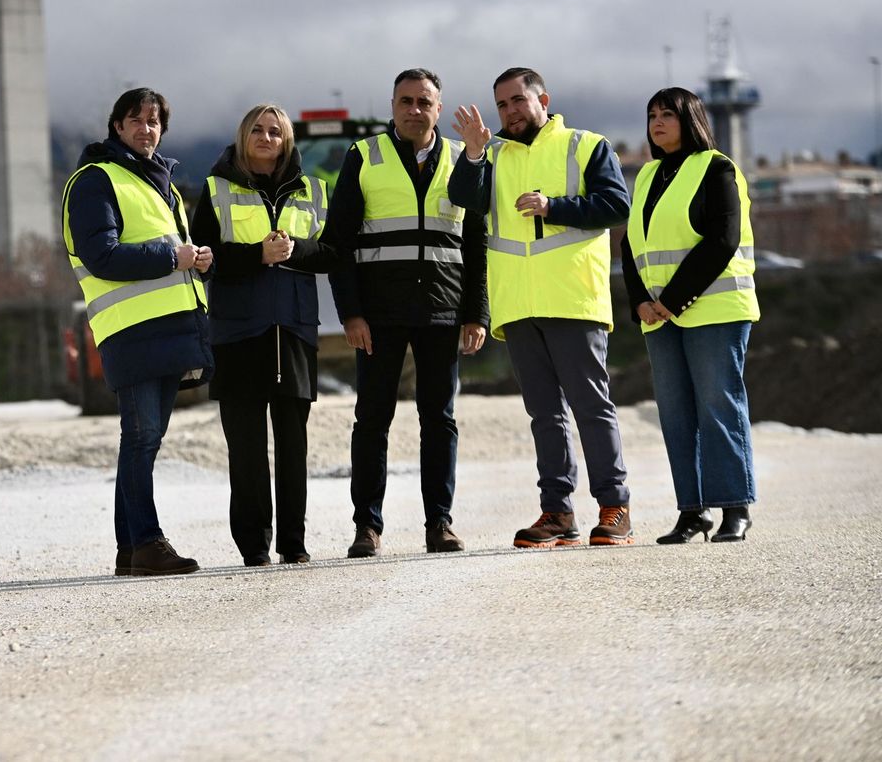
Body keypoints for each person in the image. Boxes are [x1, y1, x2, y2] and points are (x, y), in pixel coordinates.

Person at [449, 67, 635, 547]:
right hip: (519, 306)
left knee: (592, 408)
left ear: (543, 99)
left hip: (573, 298)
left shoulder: (585, 145)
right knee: (545, 416)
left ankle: (615, 507)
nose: (510, 112)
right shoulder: (490, 156)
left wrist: (554, 207)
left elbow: (616, 206)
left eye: (517, 101)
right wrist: (471, 153)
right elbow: (461, 199)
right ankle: (557, 513)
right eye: (502, 105)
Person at [321, 69, 488, 558]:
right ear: (392, 106)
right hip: (380, 313)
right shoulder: (364, 156)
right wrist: (350, 313)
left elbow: (475, 240)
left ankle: (439, 523)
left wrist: (476, 312)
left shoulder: (463, 158)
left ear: (440, 108)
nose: (415, 110)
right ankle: (366, 528)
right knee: (372, 419)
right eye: (406, 101)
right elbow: (339, 242)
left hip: (442, 308)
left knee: (440, 418)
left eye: (425, 102)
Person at [62, 87, 214, 576]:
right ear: (117, 126)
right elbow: (100, 255)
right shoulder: (95, 181)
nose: (147, 129)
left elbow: (173, 250)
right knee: (142, 437)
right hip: (132, 330)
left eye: (154, 121)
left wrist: (196, 260)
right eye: (137, 120)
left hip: (168, 328)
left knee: (144, 439)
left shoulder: (158, 183)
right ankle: (147, 541)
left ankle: (130, 549)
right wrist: (176, 256)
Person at [191, 104, 335, 566]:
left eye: (276, 131)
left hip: (293, 330)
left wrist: (297, 249)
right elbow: (204, 259)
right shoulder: (215, 189)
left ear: (287, 140)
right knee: (247, 450)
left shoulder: (314, 189)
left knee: (293, 446)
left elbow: (333, 252)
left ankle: (293, 543)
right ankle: (254, 547)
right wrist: (258, 256)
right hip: (236, 333)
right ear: (243, 135)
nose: (267, 137)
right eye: (258, 129)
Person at [620, 88, 758, 543]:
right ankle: (692, 511)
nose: (657, 123)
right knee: (677, 416)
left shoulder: (718, 168)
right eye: (651, 115)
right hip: (659, 317)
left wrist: (670, 300)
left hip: (713, 308)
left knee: (718, 406)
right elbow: (630, 244)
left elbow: (723, 239)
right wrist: (639, 300)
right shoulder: (647, 176)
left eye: (668, 115)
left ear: (691, 119)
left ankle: (735, 507)